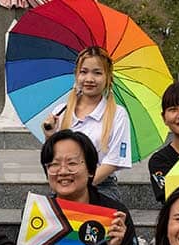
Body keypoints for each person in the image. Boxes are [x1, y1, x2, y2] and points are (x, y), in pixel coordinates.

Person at [21, 130, 143, 245]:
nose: (63, 171)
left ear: (91, 170)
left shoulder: (114, 214)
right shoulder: (38, 214)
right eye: (54, 164)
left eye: (72, 163)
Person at [41, 46, 131, 202]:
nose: (89, 79)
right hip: (65, 184)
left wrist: (83, 187)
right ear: (76, 75)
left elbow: (113, 161)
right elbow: (53, 160)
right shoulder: (61, 112)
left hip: (101, 187)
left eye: (97, 73)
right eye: (84, 72)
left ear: (108, 77)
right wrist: (49, 137)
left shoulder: (117, 114)